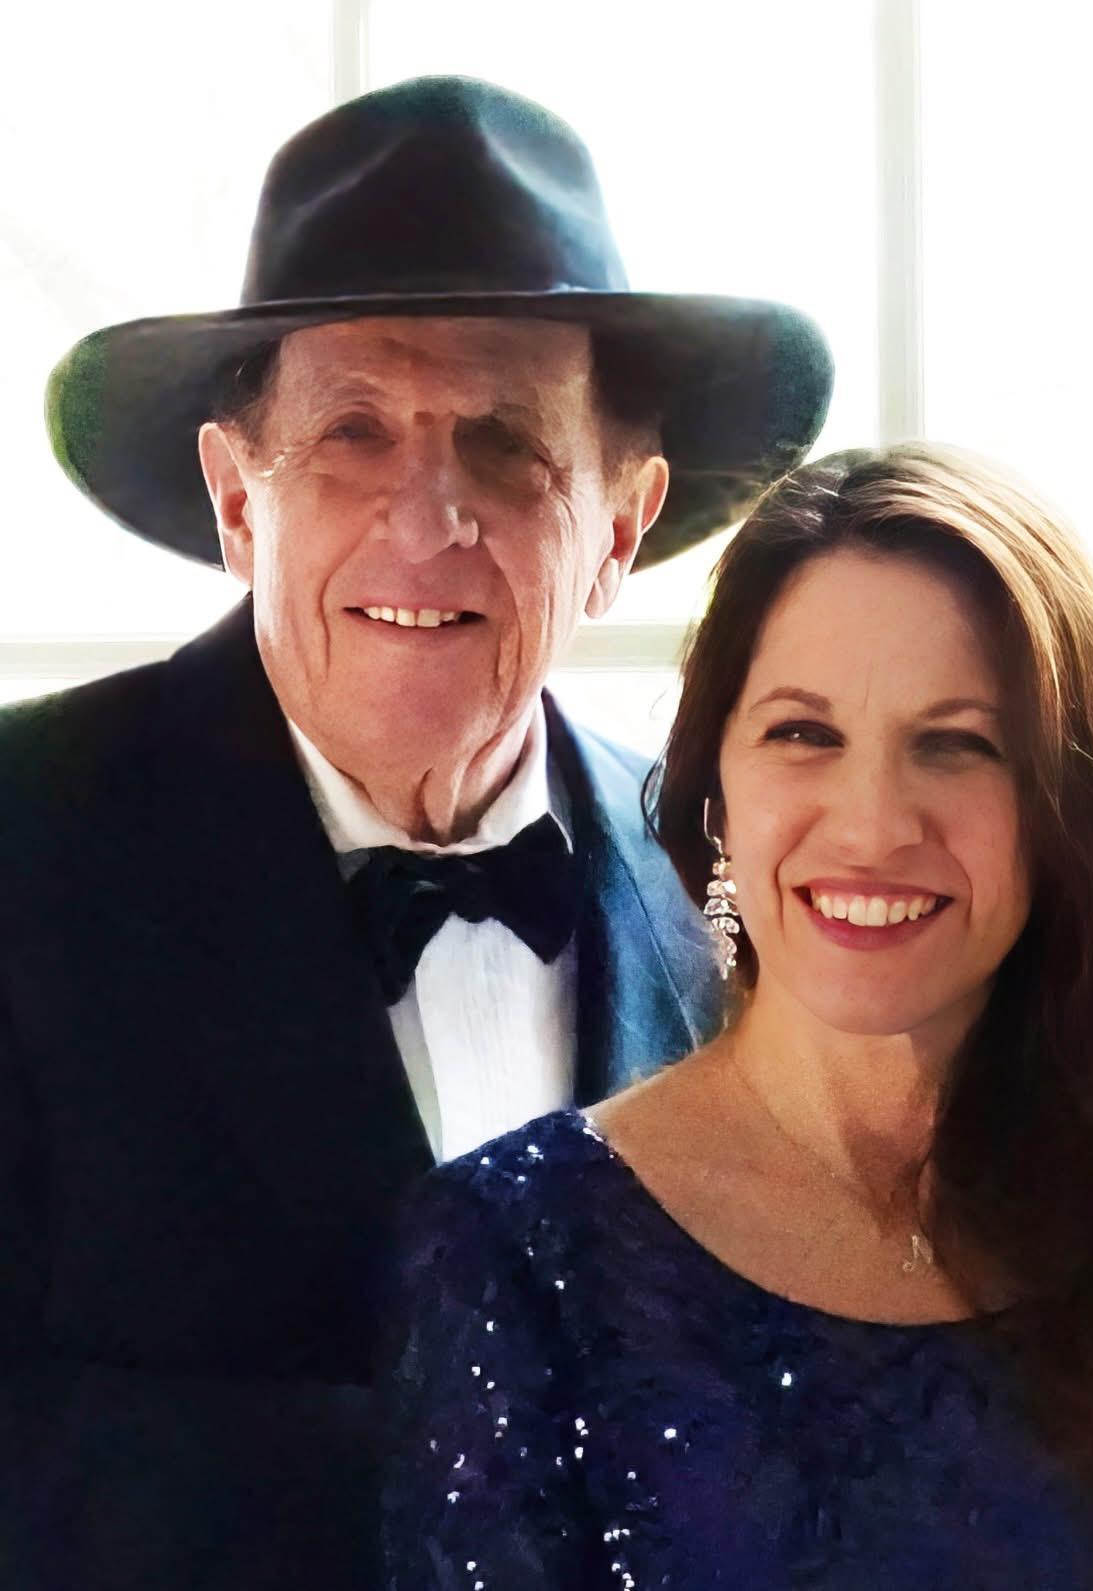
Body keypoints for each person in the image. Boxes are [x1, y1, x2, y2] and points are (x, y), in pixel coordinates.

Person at [0, 77, 832, 1591]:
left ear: (621, 525)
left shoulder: (735, 872)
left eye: (507, 444)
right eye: (355, 433)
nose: (428, 517)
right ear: (237, 500)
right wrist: (466, 1469)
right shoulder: (22, 839)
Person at [382, 442, 1093, 1590]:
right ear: (715, 790)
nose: (874, 823)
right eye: (804, 733)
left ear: (1063, 811)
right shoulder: (515, 1254)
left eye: (958, 744)